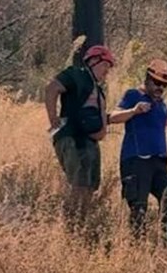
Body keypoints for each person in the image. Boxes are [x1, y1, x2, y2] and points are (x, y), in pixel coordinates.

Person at [107, 59, 167, 242]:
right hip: (136, 161)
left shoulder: (160, 104)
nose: (160, 88)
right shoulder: (133, 95)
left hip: (158, 163)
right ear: (147, 79)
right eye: (156, 83)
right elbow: (113, 117)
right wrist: (134, 110)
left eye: (164, 85)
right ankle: (135, 250)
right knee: (139, 208)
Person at [43, 44, 115, 222]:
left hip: (90, 143)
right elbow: (52, 88)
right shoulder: (77, 74)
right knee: (78, 184)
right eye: (105, 64)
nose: (107, 70)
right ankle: (70, 225)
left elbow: (103, 118)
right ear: (93, 61)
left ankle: (81, 226)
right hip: (72, 139)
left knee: (89, 187)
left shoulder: (98, 91)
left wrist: (133, 112)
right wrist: (53, 118)